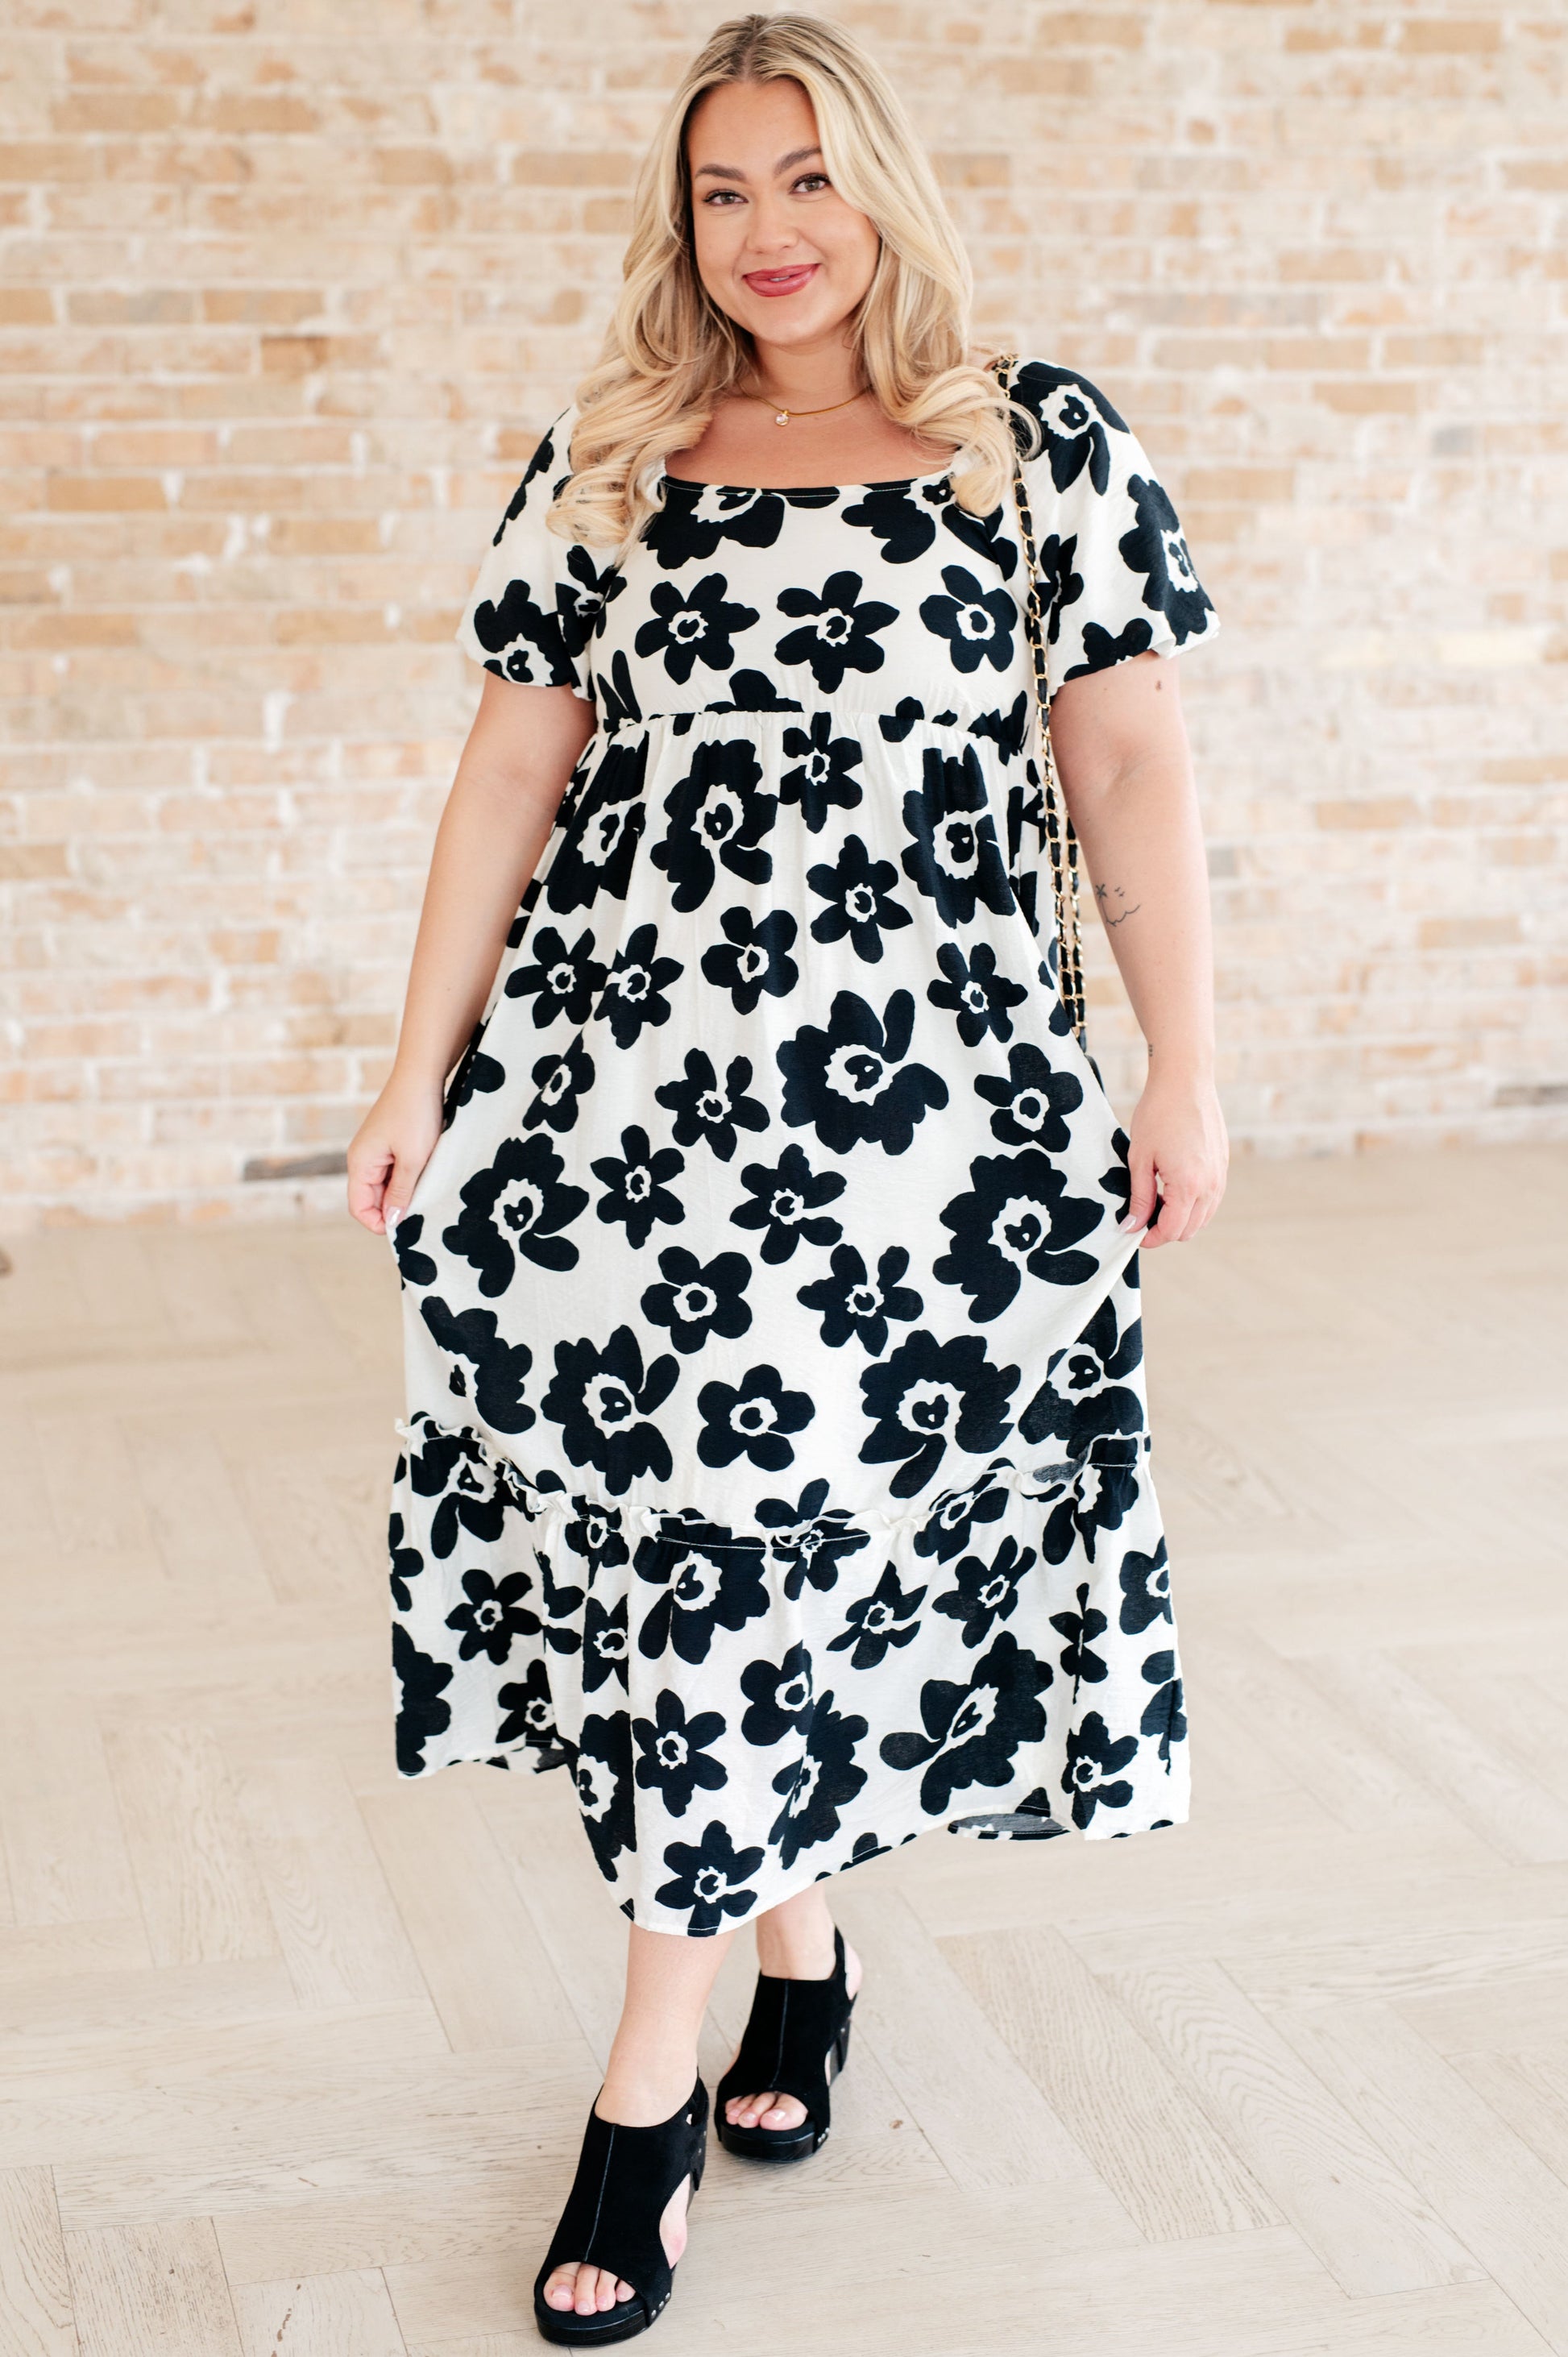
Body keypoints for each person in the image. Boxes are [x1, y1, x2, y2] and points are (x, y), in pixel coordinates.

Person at [347, 10, 1226, 2342]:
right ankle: (737, 2002)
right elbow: (507, 779)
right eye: (723, 189)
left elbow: (1131, 766)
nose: (769, 232)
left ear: (884, 187)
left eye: (808, 177)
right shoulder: (615, 457)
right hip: (624, 1117)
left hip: (932, 1136)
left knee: (795, 1555)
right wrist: (415, 1071)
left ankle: (708, 2034)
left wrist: (1185, 1068)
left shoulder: (1032, 446)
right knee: (711, 1563)